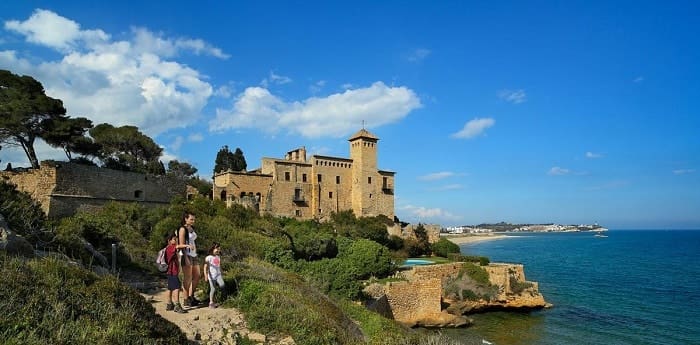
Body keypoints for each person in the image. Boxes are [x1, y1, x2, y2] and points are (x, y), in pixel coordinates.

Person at [178, 212, 203, 307]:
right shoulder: (182, 229)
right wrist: (185, 256)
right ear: (186, 219)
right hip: (186, 254)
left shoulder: (192, 228)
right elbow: (181, 244)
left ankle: (191, 296)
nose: (193, 221)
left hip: (194, 254)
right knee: (187, 278)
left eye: (194, 219)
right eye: (191, 219)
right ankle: (185, 299)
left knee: (197, 275)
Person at [165, 234, 190, 313]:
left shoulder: (169, 248)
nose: (175, 241)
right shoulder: (170, 248)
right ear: (169, 241)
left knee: (170, 287)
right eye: (174, 239)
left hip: (170, 271)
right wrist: (187, 245)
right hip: (172, 271)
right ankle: (177, 305)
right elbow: (178, 247)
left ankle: (169, 304)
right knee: (177, 287)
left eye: (176, 239)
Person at [203, 243, 225, 308]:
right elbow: (205, 267)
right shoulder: (209, 257)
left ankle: (222, 300)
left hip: (218, 275)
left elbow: (218, 266)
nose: (218, 250)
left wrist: (221, 271)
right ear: (212, 249)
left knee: (222, 285)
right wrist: (206, 275)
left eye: (219, 249)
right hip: (211, 276)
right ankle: (211, 302)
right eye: (216, 249)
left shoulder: (218, 257)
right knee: (213, 289)